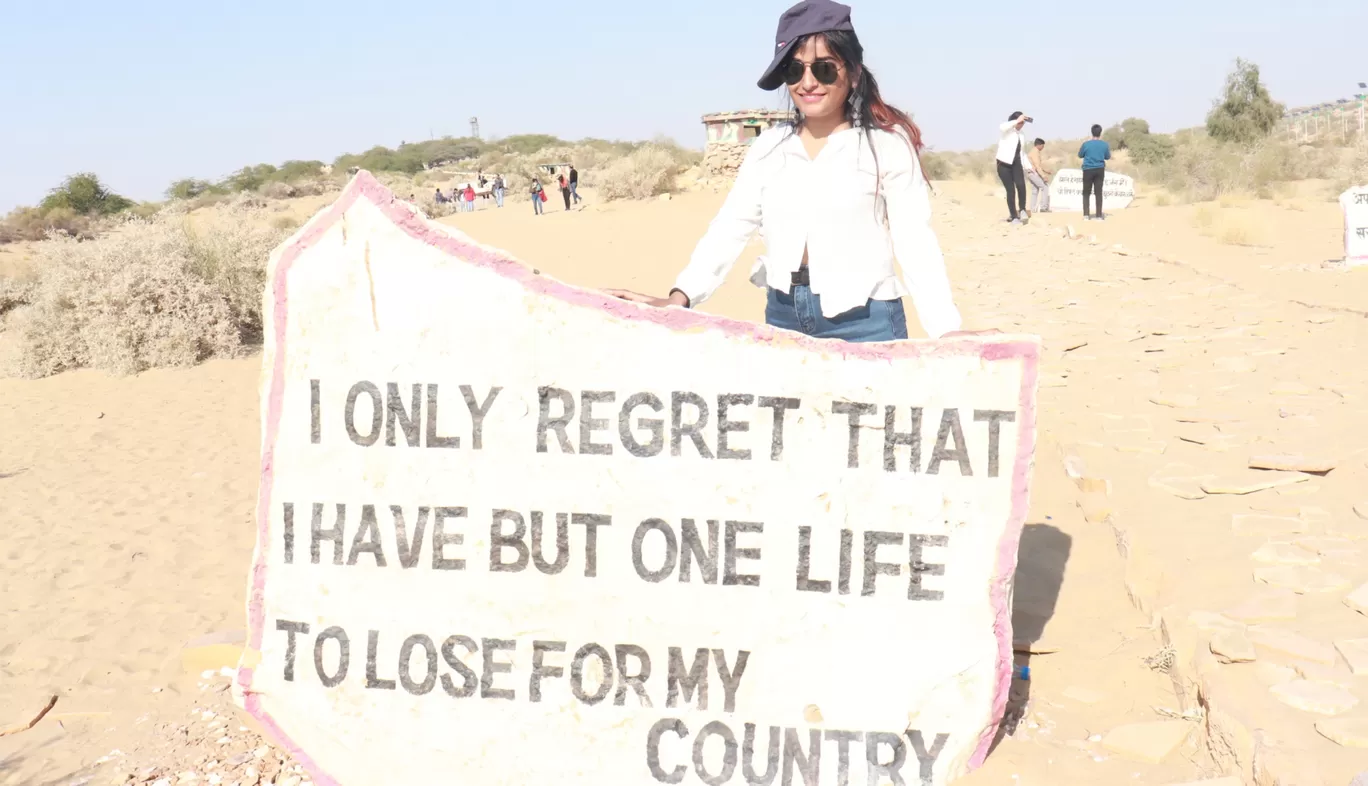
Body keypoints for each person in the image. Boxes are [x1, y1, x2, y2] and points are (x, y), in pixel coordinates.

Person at [607, 0, 988, 342]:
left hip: (867, 323)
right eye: (794, 69)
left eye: (824, 68)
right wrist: (681, 297)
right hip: (783, 318)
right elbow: (731, 225)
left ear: (852, 73)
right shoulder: (769, 147)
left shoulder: (887, 147)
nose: (808, 83)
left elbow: (914, 241)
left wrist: (946, 329)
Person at [995, 111, 1032, 224]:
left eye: (1023, 123)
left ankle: (1022, 210)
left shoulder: (1022, 135)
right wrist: (1017, 120)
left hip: (1016, 163)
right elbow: (1002, 127)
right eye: (1020, 123)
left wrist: (1028, 166)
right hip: (1003, 164)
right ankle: (1014, 216)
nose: (1021, 125)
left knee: (1021, 185)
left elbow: (1022, 152)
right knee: (1010, 190)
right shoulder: (1007, 130)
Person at [1079, 124, 1111, 220]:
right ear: (1100, 133)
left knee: (1086, 192)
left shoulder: (1086, 144)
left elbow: (1080, 155)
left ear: (1092, 132)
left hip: (1088, 169)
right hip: (1100, 169)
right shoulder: (1104, 145)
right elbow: (1108, 157)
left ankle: (1086, 215)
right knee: (1098, 192)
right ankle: (1098, 215)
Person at [1026, 139, 1051, 214]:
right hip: (1033, 173)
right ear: (1039, 145)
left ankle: (1032, 209)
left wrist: (1046, 171)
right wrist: (1043, 176)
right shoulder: (1035, 152)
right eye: (1043, 146)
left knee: (1035, 190)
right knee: (1045, 186)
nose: (1043, 147)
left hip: (1030, 173)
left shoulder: (1033, 151)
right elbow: (1037, 166)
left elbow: (1037, 165)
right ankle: (1044, 207)